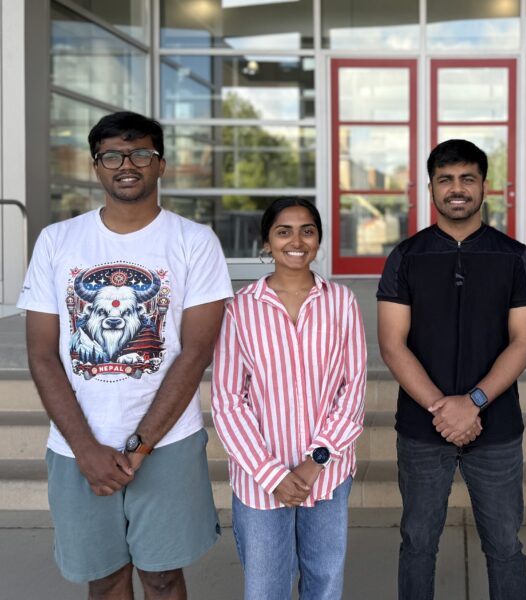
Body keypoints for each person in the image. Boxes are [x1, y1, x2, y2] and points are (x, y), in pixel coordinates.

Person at [17, 111, 233, 599]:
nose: (126, 164)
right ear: (96, 166)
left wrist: (138, 446)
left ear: (161, 165)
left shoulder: (194, 242)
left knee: (162, 576)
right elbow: (42, 354)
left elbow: (196, 352)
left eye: (141, 153)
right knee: (106, 577)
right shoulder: (57, 241)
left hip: (168, 442)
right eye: (111, 155)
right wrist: (88, 450)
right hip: (77, 447)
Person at [377, 139, 526, 600]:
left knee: (505, 545)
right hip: (421, 426)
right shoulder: (406, 256)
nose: (457, 189)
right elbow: (392, 344)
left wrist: (472, 404)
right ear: (430, 187)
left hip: (497, 426)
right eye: (446, 179)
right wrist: (441, 408)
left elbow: (524, 341)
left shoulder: (514, 256)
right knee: (417, 544)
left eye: (467, 179)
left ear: (484, 187)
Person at [211, 197, 366, 600]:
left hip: (327, 473)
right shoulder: (240, 309)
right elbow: (228, 401)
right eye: (284, 231)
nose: (296, 241)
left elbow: (353, 390)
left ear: (318, 241)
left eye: (307, 231)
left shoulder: (342, 303)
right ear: (266, 242)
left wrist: (317, 460)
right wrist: (272, 475)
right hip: (260, 477)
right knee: (266, 588)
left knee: (325, 581)